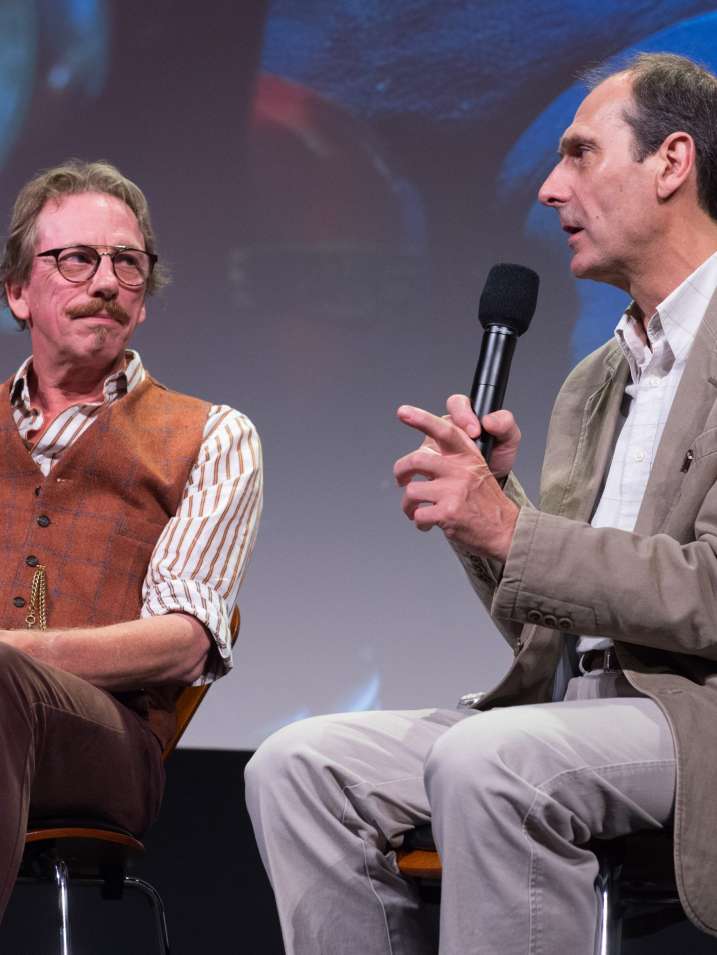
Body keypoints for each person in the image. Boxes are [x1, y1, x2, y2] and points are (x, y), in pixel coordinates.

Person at [245, 52, 717, 954]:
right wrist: (488, 516)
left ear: (671, 162)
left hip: (693, 717)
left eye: (578, 154)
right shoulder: (596, 380)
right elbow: (551, 632)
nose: (547, 188)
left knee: (486, 760)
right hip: (579, 706)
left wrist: (513, 528)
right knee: (296, 765)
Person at [0, 160, 262, 917]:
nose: (108, 281)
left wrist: (17, 653)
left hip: (106, 741)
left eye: (128, 263)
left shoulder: (211, 435)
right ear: (18, 290)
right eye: (77, 259)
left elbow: (183, 642)